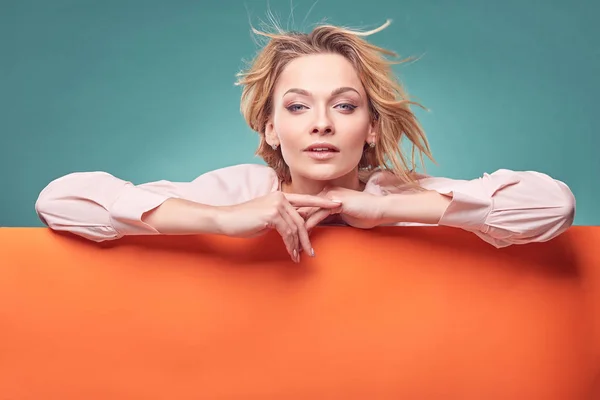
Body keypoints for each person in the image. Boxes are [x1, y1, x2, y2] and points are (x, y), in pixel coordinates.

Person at [35, 20, 575, 263]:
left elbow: (552, 206)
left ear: (372, 128)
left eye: (344, 106)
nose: (321, 123)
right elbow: (61, 200)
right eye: (297, 107)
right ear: (271, 127)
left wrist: (383, 211)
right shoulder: (237, 190)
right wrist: (222, 220)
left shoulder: (399, 194)